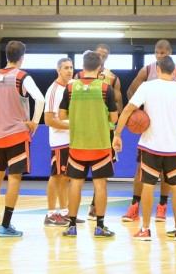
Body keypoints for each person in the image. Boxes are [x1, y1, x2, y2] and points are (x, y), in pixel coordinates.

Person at [113, 56, 176, 241]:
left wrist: (117, 134)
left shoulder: (147, 87)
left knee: (148, 186)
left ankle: (146, 229)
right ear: (174, 72)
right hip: (174, 147)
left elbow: (126, 111)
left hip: (150, 146)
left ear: (157, 69)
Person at [0, 41, 45, 237]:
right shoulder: (22, 76)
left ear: (6, 55)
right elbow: (40, 99)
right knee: (15, 179)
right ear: (22, 58)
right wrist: (34, 121)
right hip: (17, 134)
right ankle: (5, 225)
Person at [122, 39, 176, 223]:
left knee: (166, 173)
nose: (159, 56)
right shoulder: (147, 70)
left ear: (170, 53)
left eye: (163, 53)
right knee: (141, 170)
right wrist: (138, 113)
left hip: (171, 130)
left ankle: (162, 206)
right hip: (149, 131)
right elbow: (131, 90)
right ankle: (134, 206)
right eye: (157, 52)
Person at [59, 51, 118, 238]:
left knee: (75, 184)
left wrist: (78, 114)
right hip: (100, 145)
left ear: (82, 67)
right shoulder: (105, 88)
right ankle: (100, 226)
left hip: (77, 144)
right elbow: (114, 117)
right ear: (99, 67)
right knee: (100, 185)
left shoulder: (70, 88)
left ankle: (71, 226)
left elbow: (61, 116)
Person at [76, 43, 123, 220]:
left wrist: (117, 130)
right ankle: (70, 214)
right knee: (76, 175)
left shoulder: (113, 79)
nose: (101, 57)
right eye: (99, 54)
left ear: (107, 58)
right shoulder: (79, 76)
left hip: (105, 129)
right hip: (82, 128)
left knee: (101, 174)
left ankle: (95, 207)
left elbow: (119, 105)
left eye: (104, 55)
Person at [43, 58, 85, 226]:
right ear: (58, 70)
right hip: (60, 140)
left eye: (71, 67)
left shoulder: (74, 84)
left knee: (64, 176)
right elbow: (48, 120)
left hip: (72, 140)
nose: (69, 70)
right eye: (65, 68)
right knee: (58, 176)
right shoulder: (53, 91)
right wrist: (72, 127)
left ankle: (64, 212)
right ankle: (51, 213)